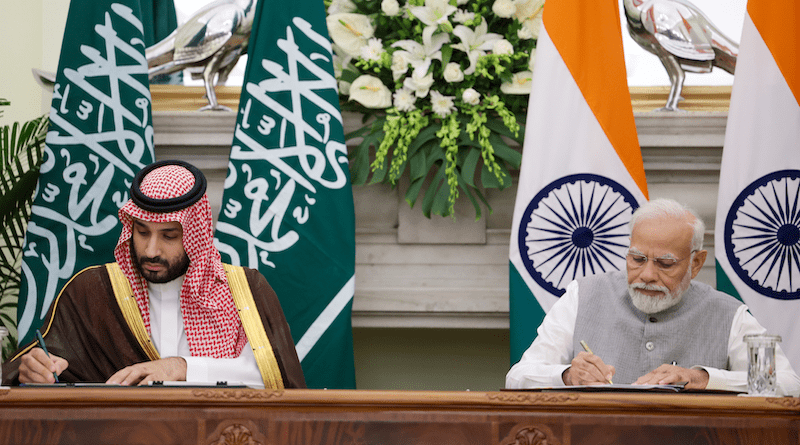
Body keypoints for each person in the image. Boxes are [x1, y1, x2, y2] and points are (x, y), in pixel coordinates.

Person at [2, 160, 305, 388]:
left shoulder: (244, 289)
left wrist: (181, 367)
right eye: (142, 232)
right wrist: (33, 372)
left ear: (194, 233)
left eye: (169, 236)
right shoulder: (92, 291)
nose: (150, 250)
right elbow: (36, 370)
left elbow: (273, 377)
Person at [506, 198, 800, 396]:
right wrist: (568, 376)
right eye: (637, 258)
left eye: (665, 263)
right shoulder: (582, 296)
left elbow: (787, 384)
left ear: (695, 263)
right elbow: (518, 377)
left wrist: (703, 379)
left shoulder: (729, 313)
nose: (647, 274)